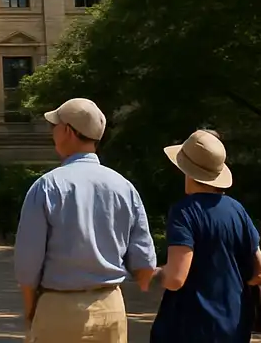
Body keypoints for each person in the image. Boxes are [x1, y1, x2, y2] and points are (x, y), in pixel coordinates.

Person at [14, 98, 157, 343]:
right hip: (110, 305)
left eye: (54, 126)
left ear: (67, 131)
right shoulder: (124, 187)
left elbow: (28, 265)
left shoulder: (47, 186)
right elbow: (145, 265)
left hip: (59, 307)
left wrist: (30, 312)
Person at [151, 130, 261, 343]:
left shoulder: (184, 211)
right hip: (235, 327)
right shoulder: (238, 210)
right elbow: (260, 273)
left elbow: (176, 279)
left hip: (190, 329)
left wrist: (154, 273)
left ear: (185, 169)